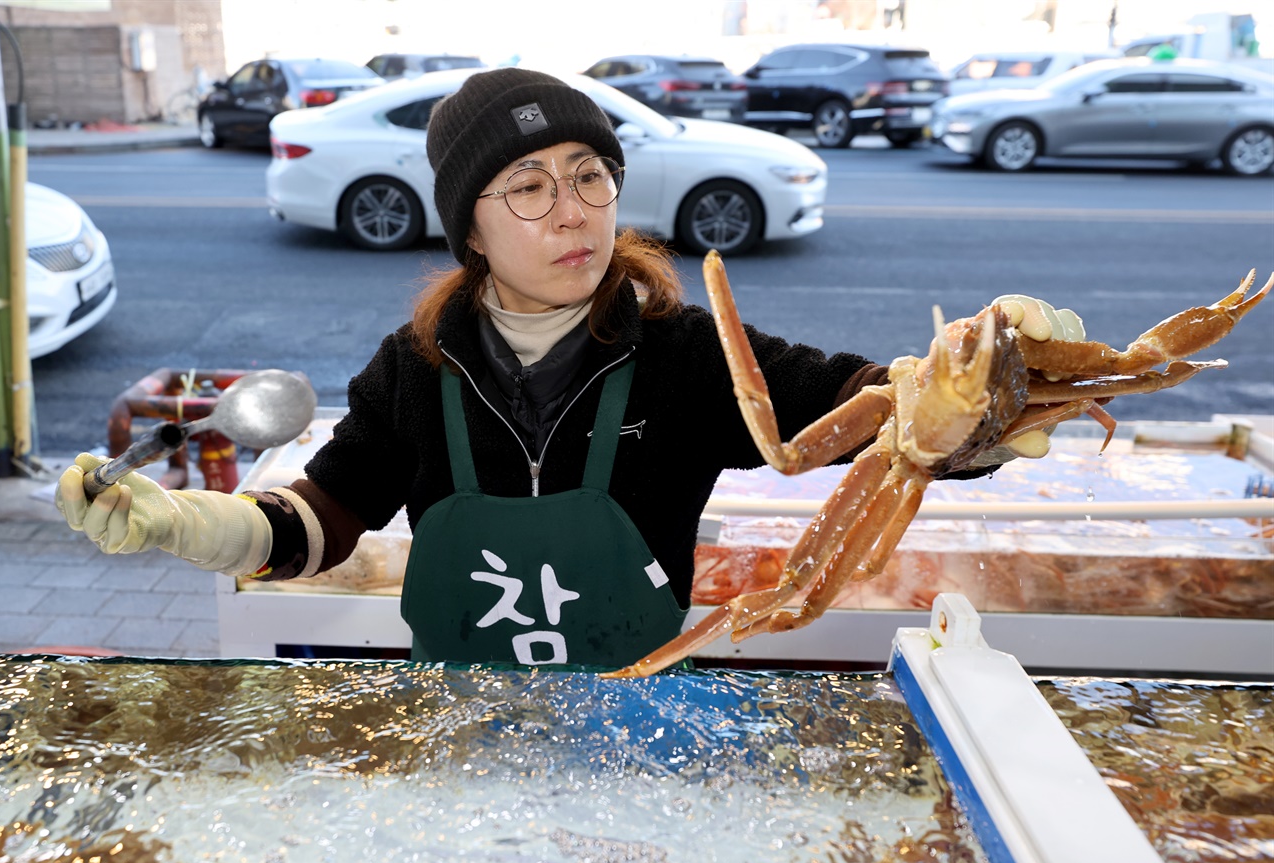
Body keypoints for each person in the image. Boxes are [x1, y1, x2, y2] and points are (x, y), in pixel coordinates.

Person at [56, 68, 1080, 669]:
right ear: (471, 229)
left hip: (640, 708)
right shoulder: (414, 370)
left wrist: (997, 385)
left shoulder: (689, 353)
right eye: (530, 188)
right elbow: (323, 519)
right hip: (460, 715)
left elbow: (891, 418)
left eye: (591, 177)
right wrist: (182, 525)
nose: (574, 209)